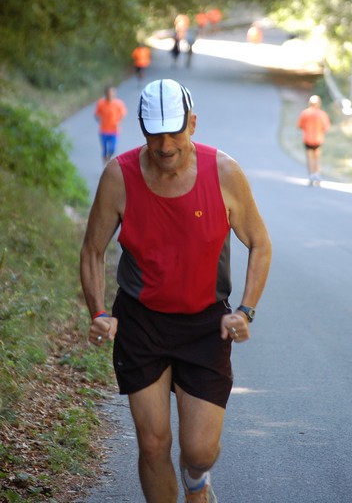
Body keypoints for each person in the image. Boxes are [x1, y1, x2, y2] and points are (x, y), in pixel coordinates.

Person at [80, 78, 272, 503]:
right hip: (141, 321)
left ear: (194, 124)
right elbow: (93, 250)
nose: (165, 145)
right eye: (155, 133)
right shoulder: (120, 177)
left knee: (199, 451)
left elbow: (260, 242)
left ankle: (196, 481)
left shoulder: (224, 173)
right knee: (152, 445)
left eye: (175, 132)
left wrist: (245, 310)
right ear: (142, 128)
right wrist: (98, 312)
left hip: (205, 324)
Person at [297, 94, 331, 185]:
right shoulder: (322, 114)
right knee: (317, 157)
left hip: (307, 139)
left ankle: (311, 175)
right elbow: (326, 127)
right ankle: (317, 174)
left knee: (310, 157)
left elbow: (299, 125)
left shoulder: (305, 113)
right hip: (318, 139)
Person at [94, 86, 127, 165]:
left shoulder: (118, 104)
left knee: (112, 149)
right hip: (103, 131)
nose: (110, 94)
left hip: (114, 130)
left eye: (112, 93)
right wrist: (100, 120)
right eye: (109, 93)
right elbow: (96, 114)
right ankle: (105, 164)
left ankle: (108, 158)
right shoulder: (101, 103)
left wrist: (119, 122)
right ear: (106, 93)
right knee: (104, 150)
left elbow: (123, 114)